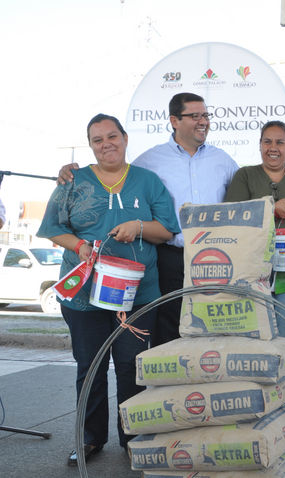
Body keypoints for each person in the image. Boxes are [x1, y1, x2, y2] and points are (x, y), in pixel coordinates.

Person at [38, 114, 180, 465]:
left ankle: (134, 438)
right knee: (90, 367)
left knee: (131, 366)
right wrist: (79, 246)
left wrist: (139, 226)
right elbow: (52, 227)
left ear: (125, 138)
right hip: (84, 295)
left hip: (137, 296)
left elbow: (167, 229)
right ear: (90, 145)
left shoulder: (147, 181)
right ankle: (89, 438)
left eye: (112, 136)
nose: (106, 144)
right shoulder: (73, 181)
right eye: (98, 140)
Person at [58, 93, 239, 347]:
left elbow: (247, 195)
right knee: (167, 336)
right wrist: (70, 173)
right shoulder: (149, 161)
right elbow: (113, 174)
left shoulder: (224, 161)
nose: (203, 121)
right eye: (195, 116)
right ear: (174, 120)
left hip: (214, 259)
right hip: (169, 259)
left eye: (206, 115)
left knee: (213, 331)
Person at [224, 120, 285, 338]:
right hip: (251, 271)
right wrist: (271, 209)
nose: (273, 148)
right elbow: (233, 216)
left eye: (280, 142)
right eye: (267, 142)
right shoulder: (245, 175)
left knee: (284, 334)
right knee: (253, 334)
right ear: (260, 144)